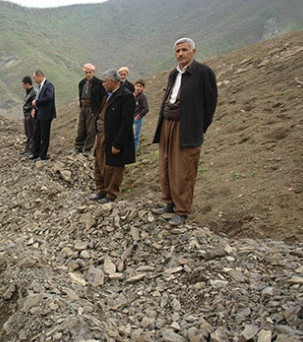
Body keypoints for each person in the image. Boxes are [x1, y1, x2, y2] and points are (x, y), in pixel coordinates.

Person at [152, 37, 218, 226]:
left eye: (184, 50)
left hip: (186, 127)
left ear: (193, 52)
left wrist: (199, 127)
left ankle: (182, 210)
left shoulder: (203, 72)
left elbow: (210, 103)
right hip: (168, 124)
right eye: (178, 51)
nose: (180, 54)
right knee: (166, 164)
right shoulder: (174, 74)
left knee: (183, 168)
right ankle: (169, 203)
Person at [89, 70, 136, 203]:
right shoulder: (107, 95)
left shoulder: (126, 96)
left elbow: (126, 122)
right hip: (102, 135)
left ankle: (111, 194)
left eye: (105, 81)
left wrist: (117, 143)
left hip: (113, 137)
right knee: (99, 162)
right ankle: (101, 190)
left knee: (113, 167)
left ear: (113, 82)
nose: (103, 84)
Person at [73, 63, 104, 157]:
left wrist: (99, 110)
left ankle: (87, 148)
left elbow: (102, 97)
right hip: (83, 107)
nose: (88, 74)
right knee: (81, 128)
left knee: (91, 129)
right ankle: (78, 147)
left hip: (92, 108)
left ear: (93, 72)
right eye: (86, 72)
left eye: (89, 72)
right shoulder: (81, 83)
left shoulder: (99, 83)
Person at [29, 70, 56, 161]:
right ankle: (35, 153)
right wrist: (34, 108)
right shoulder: (40, 86)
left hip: (46, 114)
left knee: (44, 135)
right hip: (39, 114)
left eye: (35, 78)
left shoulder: (49, 85)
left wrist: (37, 102)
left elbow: (49, 97)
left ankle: (42, 155)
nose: (34, 80)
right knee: (36, 134)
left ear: (39, 76)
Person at [21, 76, 37, 156]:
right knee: (27, 132)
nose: (23, 87)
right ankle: (27, 149)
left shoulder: (34, 92)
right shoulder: (29, 92)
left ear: (27, 84)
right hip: (26, 115)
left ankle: (31, 149)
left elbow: (34, 104)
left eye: (24, 85)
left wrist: (31, 112)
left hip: (30, 116)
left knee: (31, 132)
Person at [133, 79, 150, 152]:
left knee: (135, 136)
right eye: (137, 86)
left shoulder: (142, 97)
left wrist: (139, 116)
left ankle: (134, 151)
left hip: (137, 119)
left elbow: (146, 108)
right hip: (131, 118)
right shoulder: (133, 95)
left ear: (143, 88)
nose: (138, 88)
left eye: (140, 86)